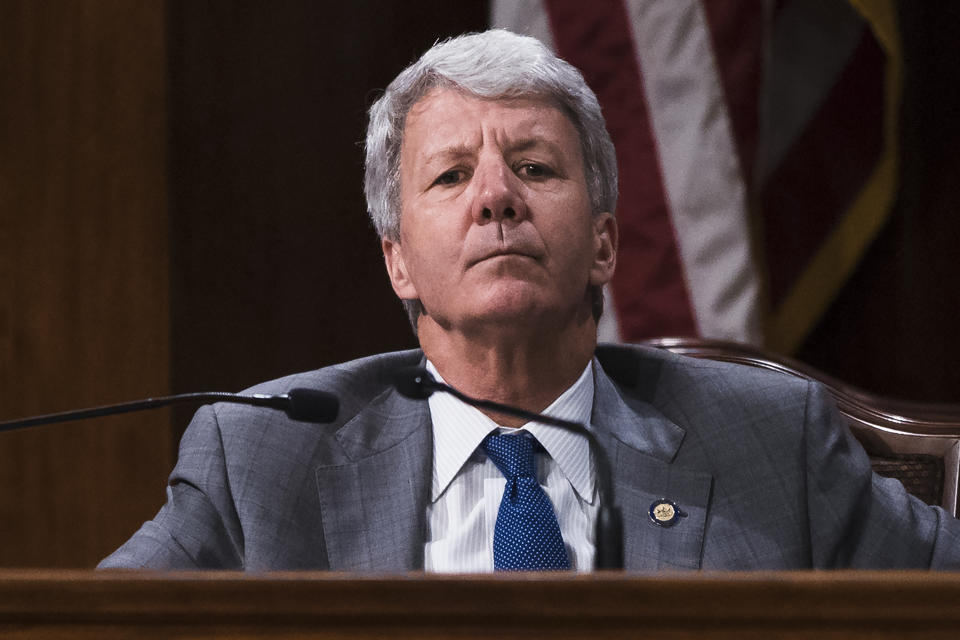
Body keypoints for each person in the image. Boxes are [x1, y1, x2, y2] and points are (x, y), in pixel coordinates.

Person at [100, 29, 960, 571]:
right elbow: (96, 631)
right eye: (450, 175)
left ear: (604, 243)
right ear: (398, 262)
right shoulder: (260, 459)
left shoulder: (772, 444)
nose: (497, 197)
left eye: (537, 168)